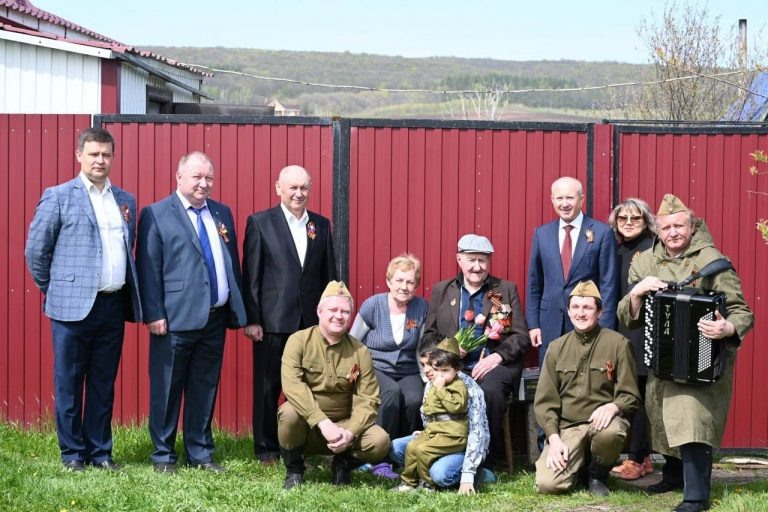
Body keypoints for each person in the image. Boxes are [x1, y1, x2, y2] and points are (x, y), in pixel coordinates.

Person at [618, 194, 754, 512]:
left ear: (692, 226)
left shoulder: (712, 260)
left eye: (679, 226)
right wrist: (636, 293)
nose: (673, 233)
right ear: (658, 229)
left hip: (705, 357)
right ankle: (674, 476)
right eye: (666, 228)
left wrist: (727, 328)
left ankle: (696, 496)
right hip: (663, 355)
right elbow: (627, 315)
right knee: (664, 417)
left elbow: (742, 311)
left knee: (692, 418)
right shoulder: (645, 261)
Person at [24, 127, 141, 472]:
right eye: (93, 154)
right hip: (71, 308)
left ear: (113, 158)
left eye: (106, 154)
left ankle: (100, 452)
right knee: (70, 383)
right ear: (79, 156)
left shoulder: (125, 201)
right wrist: (56, 288)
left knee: (103, 384)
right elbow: (35, 252)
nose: (100, 160)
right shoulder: (58, 196)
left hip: (112, 304)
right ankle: (73, 453)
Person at [136, 151, 246, 474]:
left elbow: (230, 262)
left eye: (209, 177)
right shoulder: (156, 213)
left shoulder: (222, 213)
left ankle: (200, 453)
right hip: (173, 320)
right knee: (167, 389)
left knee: (204, 388)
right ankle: (163, 455)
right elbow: (148, 268)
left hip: (215, 317)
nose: (203, 183)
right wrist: (153, 313)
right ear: (179, 177)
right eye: (197, 176)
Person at [242, 164, 337, 465]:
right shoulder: (260, 223)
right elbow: (251, 275)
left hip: (310, 324)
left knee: (308, 388)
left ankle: (301, 447)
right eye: (292, 187)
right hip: (272, 322)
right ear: (278, 188)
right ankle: (267, 449)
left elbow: (329, 276)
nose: (298, 193)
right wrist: (253, 319)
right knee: (268, 387)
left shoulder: (320, 225)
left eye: (303, 187)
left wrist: (330, 318)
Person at [422, 233, 530, 469]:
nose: (477, 267)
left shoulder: (503, 290)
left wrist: (496, 357)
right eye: (471, 260)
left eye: (483, 260)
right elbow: (429, 336)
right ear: (459, 259)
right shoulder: (443, 290)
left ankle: (486, 459)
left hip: (493, 365)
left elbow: (520, 336)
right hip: (453, 366)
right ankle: (446, 451)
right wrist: (448, 351)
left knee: (490, 391)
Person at [278, 281, 389, 490]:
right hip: (308, 427)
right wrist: (322, 422)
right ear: (319, 311)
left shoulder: (360, 351)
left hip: (343, 428)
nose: (339, 316)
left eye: (345, 311)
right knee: (288, 413)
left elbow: (368, 399)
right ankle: (294, 470)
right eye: (333, 310)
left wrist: (351, 432)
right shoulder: (298, 341)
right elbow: (292, 385)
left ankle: (342, 464)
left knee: (380, 441)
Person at [534, 280, 640, 496]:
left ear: (599, 312)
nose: (580, 313)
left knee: (610, 433)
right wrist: (553, 438)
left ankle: (597, 475)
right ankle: (579, 467)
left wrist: (613, 407)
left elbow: (631, 395)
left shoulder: (618, 344)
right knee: (548, 485)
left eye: (587, 308)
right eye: (575, 307)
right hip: (568, 428)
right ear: (568, 311)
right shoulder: (556, 348)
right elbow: (545, 402)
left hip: (602, 424)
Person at [349, 253, 428, 479]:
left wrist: (427, 378)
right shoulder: (373, 305)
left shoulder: (422, 307)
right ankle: (378, 458)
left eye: (410, 282)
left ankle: (406, 455)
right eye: (399, 280)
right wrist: (352, 373)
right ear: (389, 282)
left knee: (414, 399)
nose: (404, 287)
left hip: (407, 369)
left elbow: (421, 347)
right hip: (375, 367)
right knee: (391, 394)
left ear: (416, 285)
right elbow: (353, 342)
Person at [526, 176, 618, 364]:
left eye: (570, 198)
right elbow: (535, 283)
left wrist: (605, 329)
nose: (564, 203)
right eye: (559, 198)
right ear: (552, 200)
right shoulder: (541, 234)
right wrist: (533, 324)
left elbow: (608, 285)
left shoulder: (602, 233)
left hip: (588, 323)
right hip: (549, 325)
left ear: (581, 199)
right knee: (551, 378)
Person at [389, 337, 495, 495]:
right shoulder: (433, 383)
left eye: (430, 365)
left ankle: (477, 474)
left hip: (460, 444)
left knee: (439, 474)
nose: (427, 370)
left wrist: (467, 476)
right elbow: (432, 412)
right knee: (398, 447)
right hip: (437, 436)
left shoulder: (468, 388)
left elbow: (478, 432)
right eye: (424, 365)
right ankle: (415, 478)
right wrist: (426, 431)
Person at [607, 198, 657, 481]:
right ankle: (644, 456)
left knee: (637, 392)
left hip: (640, 327)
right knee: (632, 389)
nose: (628, 223)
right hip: (620, 325)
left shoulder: (651, 248)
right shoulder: (616, 248)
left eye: (635, 218)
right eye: (622, 218)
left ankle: (636, 458)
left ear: (645, 221)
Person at [394, 338, 468, 492]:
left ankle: (427, 484)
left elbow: (456, 406)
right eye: (437, 369)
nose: (439, 374)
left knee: (423, 450)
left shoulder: (458, 385)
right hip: (435, 431)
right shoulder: (435, 384)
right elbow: (429, 409)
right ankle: (409, 482)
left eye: (445, 370)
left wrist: (440, 390)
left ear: (456, 369)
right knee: (412, 447)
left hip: (452, 435)